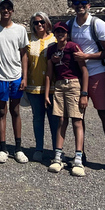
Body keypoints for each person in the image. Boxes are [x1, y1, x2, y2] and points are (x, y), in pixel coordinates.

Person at [67, 0, 105, 171]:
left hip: (97, 73)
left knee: (103, 113)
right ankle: (80, 152)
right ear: (72, 5)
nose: (79, 5)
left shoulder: (98, 24)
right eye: (76, 2)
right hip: (78, 75)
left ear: (89, 4)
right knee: (78, 116)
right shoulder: (69, 25)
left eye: (83, 2)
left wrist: (86, 56)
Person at [0, 0, 30, 164]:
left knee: (16, 110)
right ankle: (3, 148)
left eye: (8, 8)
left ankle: (18, 148)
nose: (6, 11)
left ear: (12, 11)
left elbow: (24, 54)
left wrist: (25, 77)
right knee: (2, 111)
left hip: (15, 75)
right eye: (3, 8)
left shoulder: (20, 30)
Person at [45, 21, 89, 177]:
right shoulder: (51, 49)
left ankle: (78, 158)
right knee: (61, 121)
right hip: (59, 85)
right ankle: (58, 156)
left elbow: (84, 70)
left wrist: (84, 93)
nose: (60, 34)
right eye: (57, 32)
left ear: (67, 33)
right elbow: (50, 72)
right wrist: (46, 94)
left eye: (62, 31)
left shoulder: (73, 47)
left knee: (77, 120)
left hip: (74, 84)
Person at [25, 12, 59, 162]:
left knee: (54, 119)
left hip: (52, 86)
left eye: (42, 22)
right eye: (36, 23)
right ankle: (39, 148)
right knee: (37, 118)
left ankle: (56, 149)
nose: (39, 25)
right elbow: (24, 59)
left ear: (47, 23)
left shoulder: (55, 39)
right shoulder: (28, 40)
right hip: (34, 85)